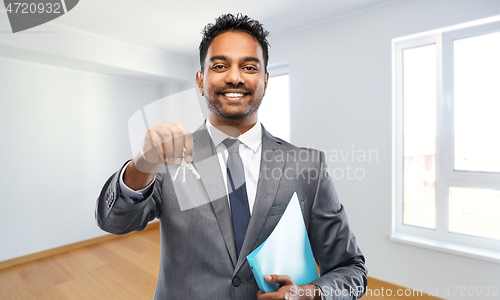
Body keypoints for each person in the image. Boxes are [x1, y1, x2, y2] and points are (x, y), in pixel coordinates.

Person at [96, 13, 367, 300]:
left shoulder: (307, 166)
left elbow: (351, 270)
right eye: (220, 65)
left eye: (249, 67)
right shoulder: (167, 157)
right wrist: (142, 164)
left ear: (265, 80)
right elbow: (114, 222)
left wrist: (312, 293)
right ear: (201, 81)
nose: (235, 77)